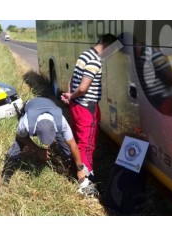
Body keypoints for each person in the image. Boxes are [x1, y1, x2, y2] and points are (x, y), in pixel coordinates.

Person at [61, 33, 119, 188]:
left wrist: (70, 97)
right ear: (108, 47)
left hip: (77, 106)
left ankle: (75, 169)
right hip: (87, 108)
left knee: (78, 139)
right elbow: (83, 87)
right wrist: (73, 95)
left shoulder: (85, 55)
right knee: (87, 145)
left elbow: (73, 79)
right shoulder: (95, 61)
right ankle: (86, 181)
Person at [1, 97, 92, 193]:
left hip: (49, 104)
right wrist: (38, 150)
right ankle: (6, 176)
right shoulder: (26, 122)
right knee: (16, 147)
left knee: (68, 150)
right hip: (32, 105)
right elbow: (20, 137)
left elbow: (73, 144)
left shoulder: (61, 121)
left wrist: (80, 167)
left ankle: (72, 172)